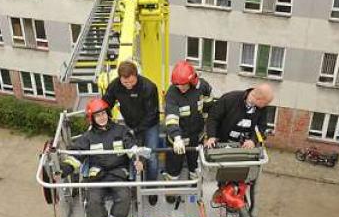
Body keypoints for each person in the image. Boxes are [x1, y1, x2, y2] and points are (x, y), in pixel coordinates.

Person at [58, 98, 143, 217]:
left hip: (118, 174)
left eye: (103, 113)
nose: (102, 117)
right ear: (92, 119)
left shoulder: (121, 130)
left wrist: (138, 160)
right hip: (97, 176)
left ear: (108, 114)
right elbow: (77, 156)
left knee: (124, 197)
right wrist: (62, 170)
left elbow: (132, 147)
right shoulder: (88, 137)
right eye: (98, 116)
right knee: (93, 201)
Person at [103, 60, 160, 205]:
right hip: (130, 124)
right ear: (120, 79)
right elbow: (106, 104)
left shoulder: (149, 87)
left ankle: (151, 189)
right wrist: (105, 120)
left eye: (131, 82)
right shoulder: (116, 85)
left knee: (151, 157)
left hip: (149, 126)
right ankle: (136, 189)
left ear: (136, 75)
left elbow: (152, 114)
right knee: (133, 158)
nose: (128, 85)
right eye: (125, 83)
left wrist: (136, 131)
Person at [164, 61, 213, 189]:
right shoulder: (172, 94)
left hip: (197, 137)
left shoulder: (202, 87)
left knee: (195, 166)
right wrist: (177, 138)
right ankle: (171, 190)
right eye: (178, 85)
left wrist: (208, 132)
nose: (181, 88)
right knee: (174, 167)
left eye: (184, 84)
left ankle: (194, 187)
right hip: (178, 140)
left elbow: (209, 109)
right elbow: (171, 118)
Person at [205, 83, 274, 148]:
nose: (266, 105)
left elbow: (261, 126)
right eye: (266, 103)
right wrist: (211, 136)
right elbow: (213, 118)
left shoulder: (262, 108)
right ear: (258, 99)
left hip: (244, 147)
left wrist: (253, 140)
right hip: (222, 143)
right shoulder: (229, 99)